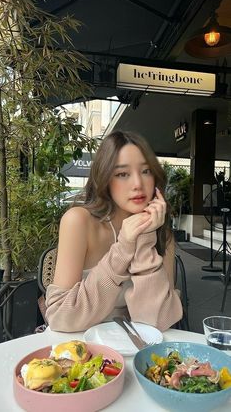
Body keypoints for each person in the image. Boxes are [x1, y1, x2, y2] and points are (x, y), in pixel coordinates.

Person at [45, 130, 183, 332]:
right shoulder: (79, 222)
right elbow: (60, 319)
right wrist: (123, 248)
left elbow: (158, 323)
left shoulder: (163, 235)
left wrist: (144, 239)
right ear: (105, 179)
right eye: (122, 174)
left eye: (146, 171)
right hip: (78, 349)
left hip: (135, 351)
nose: (138, 184)